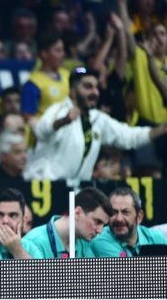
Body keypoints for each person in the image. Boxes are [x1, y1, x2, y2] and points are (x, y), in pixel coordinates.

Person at [23, 67, 167, 187]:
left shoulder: (98, 118)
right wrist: (63, 121)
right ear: (73, 91)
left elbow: (128, 137)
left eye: (96, 87)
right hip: (44, 186)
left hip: (75, 188)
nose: (95, 92)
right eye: (88, 87)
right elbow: (42, 131)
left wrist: (162, 129)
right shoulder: (59, 110)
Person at [23, 187, 112, 259]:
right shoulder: (33, 242)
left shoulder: (85, 241)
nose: (100, 231)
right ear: (77, 213)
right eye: (97, 222)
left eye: (103, 224)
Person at [91, 187, 167, 257]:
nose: (119, 219)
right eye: (113, 212)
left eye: (125, 212)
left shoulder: (155, 238)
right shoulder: (100, 240)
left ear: (139, 217)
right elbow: (127, 267)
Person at [0, 188, 35, 260]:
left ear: (23, 220)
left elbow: (38, 268)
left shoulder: (30, 246)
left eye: (13, 215)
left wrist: (17, 250)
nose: (5, 221)